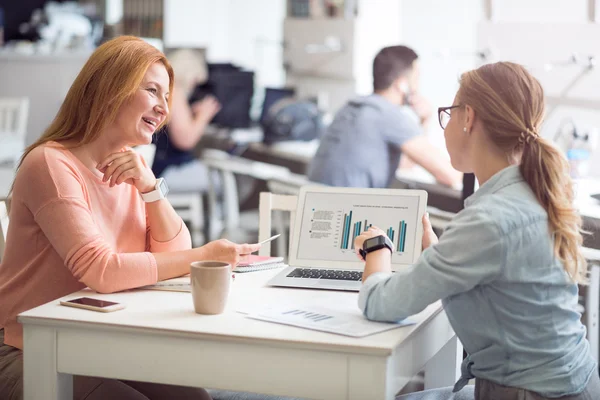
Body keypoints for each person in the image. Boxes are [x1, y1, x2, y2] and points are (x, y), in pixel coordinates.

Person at [0, 36, 260, 400]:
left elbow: (173, 249)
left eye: (167, 97)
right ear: (110, 89)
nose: (163, 109)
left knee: (194, 398)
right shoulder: (51, 164)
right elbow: (102, 272)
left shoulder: (127, 165)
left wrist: (152, 189)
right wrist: (205, 254)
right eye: (152, 91)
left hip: (94, 337)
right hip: (27, 347)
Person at [354, 62, 600, 399]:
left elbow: (380, 303)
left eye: (448, 113)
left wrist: (377, 249)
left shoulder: (489, 219)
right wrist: (442, 257)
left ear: (468, 117)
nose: (445, 126)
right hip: (573, 384)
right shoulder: (535, 192)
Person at [307, 45, 462, 189]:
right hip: (350, 214)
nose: (418, 86)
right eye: (416, 78)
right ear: (402, 85)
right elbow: (450, 175)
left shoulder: (351, 107)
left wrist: (424, 121)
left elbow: (405, 163)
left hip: (319, 210)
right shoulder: (389, 116)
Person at [151, 48, 221, 192]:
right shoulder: (175, 92)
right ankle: (219, 215)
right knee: (222, 181)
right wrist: (204, 116)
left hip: (157, 167)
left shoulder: (162, 89)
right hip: (168, 171)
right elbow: (185, 140)